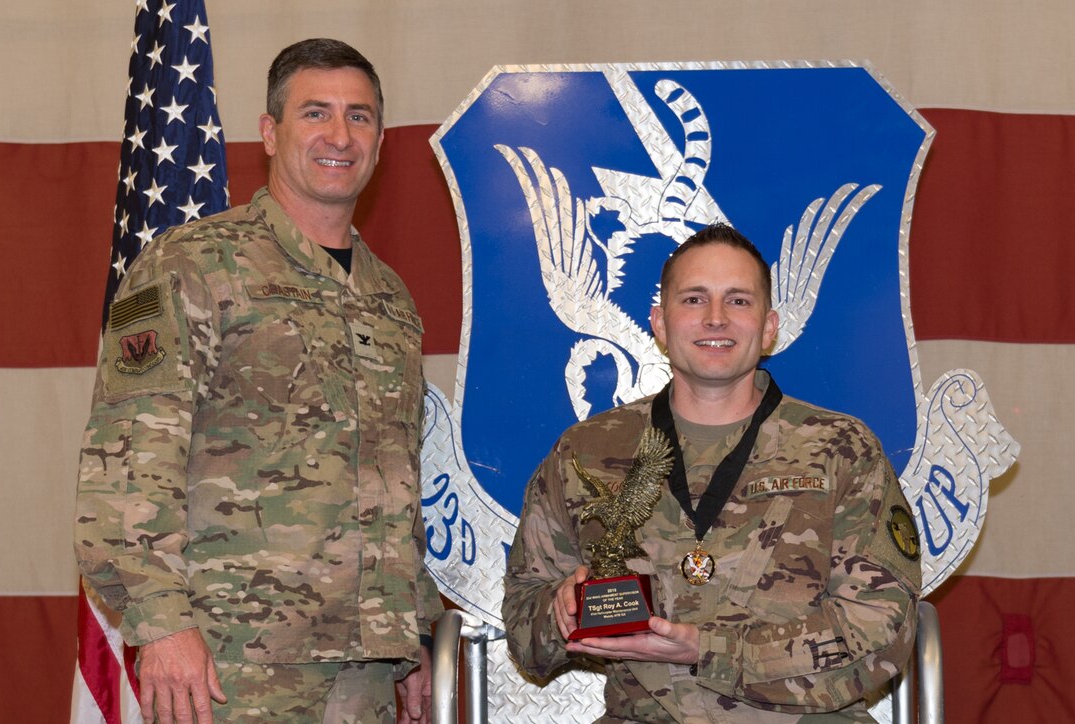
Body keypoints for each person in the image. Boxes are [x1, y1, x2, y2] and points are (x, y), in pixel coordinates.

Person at [75, 38, 442, 723]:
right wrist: (160, 622)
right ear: (271, 133)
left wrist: (412, 628)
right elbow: (125, 460)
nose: (340, 135)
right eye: (316, 114)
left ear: (381, 139)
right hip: (230, 667)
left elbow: (395, 481)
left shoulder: (390, 299)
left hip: (364, 670)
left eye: (359, 117)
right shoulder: (188, 265)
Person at [503, 223, 923, 722]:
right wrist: (561, 613)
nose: (716, 319)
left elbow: (884, 630)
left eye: (739, 301)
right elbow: (525, 634)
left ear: (769, 327)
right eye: (695, 299)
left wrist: (709, 651)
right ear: (659, 323)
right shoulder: (584, 452)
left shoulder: (840, 449)